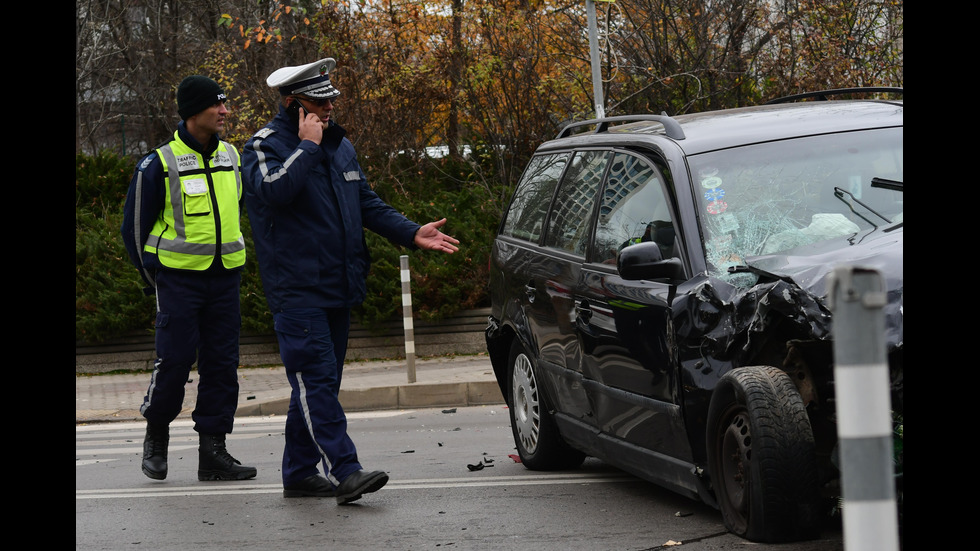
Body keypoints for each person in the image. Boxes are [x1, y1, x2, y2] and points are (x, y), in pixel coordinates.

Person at [242, 58, 459, 504]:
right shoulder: (264, 147)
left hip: (338, 285)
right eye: (317, 102)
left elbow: (366, 202)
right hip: (297, 289)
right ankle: (346, 469)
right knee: (316, 382)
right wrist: (306, 147)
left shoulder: (340, 146)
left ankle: (300, 472)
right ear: (292, 104)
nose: (328, 109)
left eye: (330, 101)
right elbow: (273, 193)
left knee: (318, 384)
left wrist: (411, 231)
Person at [121, 75, 257, 482]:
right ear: (193, 112)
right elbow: (134, 231)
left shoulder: (231, 156)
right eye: (218, 105)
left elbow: (240, 210)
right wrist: (155, 282)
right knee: (175, 362)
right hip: (178, 282)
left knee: (222, 366)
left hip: (224, 281)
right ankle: (157, 436)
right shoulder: (158, 164)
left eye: (225, 103)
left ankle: (213, 453)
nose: (225, 111)